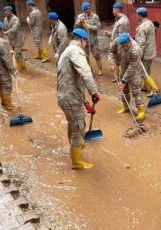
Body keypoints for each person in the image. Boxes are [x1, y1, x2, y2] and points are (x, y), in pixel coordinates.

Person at [57, 28, 99, 170]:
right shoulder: (76, 51)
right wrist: (94, 92)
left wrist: (86, 103)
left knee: (72, 123)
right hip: (70, 98)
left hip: (66, 97)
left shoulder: (68, 51)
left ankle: (76, 146)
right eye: (86, 42)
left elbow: (76, 82)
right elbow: (85, 72)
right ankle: (76, 162)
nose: (86, 45)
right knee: (79, 127)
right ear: (82, 40)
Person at [109, 33, 145, 121]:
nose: (125, 47)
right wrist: (111, 62)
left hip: (134, 72)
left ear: (130, 41)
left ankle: (141, 111)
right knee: (124, 91)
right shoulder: (117, 41)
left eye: (126, 46)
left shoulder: (136, 50)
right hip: (123, 69)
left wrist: (124, 81)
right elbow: (111, 51)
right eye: (123, 46)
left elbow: (132, 68)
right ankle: (126, 106)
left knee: (136, 91)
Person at [135, 7, 159, 98]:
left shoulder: (142, 27)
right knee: (147, 70)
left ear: (139, 16)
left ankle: (154, 88)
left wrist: (138, 54)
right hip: (151, 51)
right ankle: (144, 86)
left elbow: (141, 43)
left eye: (137, 15)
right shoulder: (150, 23)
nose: (136, 16)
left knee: (143, 72)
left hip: (145, 53)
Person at [74, 2, 103, 76]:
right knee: (86, 55)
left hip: (93, 40)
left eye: (89, 8)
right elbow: (76, 26)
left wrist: (89, 27)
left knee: (96, 55)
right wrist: (80, 21)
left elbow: (98, 27)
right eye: (87, 9)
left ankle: (100, 69)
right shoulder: (80, 16)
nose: (89, 10)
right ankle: (89, 69)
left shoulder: (95, 17)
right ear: (84, 10)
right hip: (84, 40)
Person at [110, 2, 129, 82]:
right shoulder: (118, 20)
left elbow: (122, 37)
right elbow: (117, 33)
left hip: (121, 47)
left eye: (113, 9)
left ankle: (123, 80)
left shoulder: (123, 21)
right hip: (117, 46)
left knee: (122, 64)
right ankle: (118, 77)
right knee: (118, 62)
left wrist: (117, 47)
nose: (112, 11)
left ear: (116, 10)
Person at [3, 6, 25, 72]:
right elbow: (6, 27)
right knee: (19, 53)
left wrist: (5, 33)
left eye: (8, 11)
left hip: (17, 40)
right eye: (5, 11)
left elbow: (14, 29)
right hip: (11, 40)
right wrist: (2, 29)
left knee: (17, 54)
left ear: (11, 11)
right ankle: (23, 67)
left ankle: (20, 70)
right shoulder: (5, 19)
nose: (6, 12)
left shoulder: (15, 19)